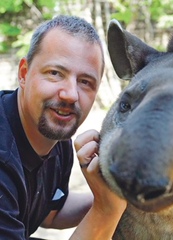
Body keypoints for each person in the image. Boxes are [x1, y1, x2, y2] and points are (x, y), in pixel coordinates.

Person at [0, 15, 126, 239]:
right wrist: (108, 209)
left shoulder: (56, 139)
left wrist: (117, 195)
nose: (70, 94)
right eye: (55, 73)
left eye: (85, 81)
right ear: (23, 73)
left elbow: (50, 212)